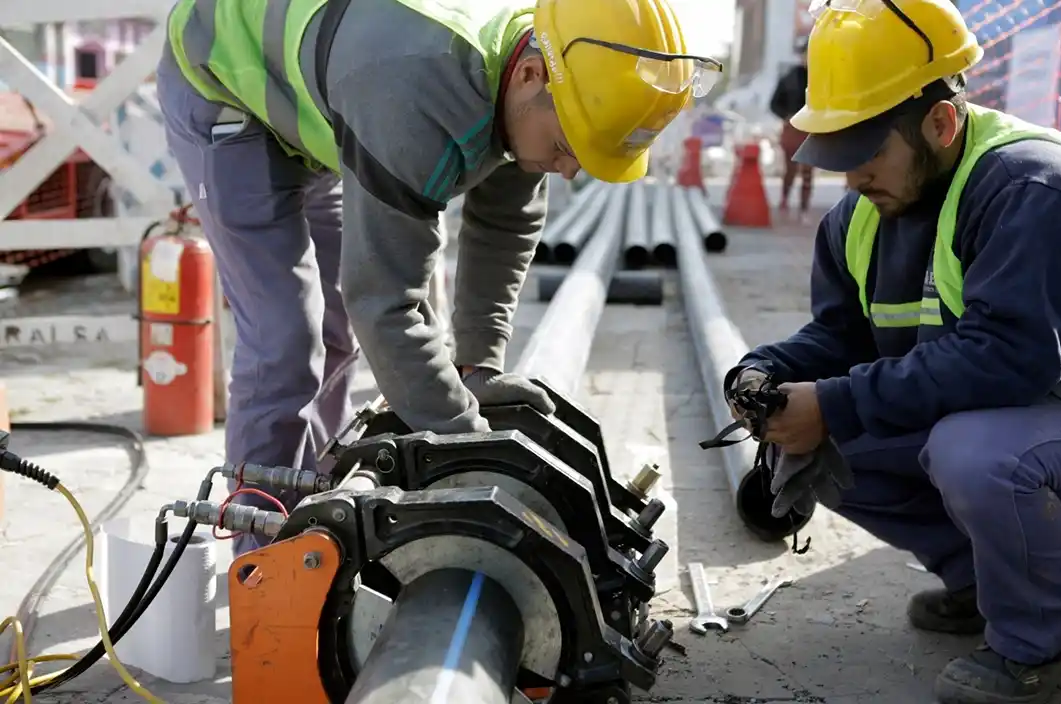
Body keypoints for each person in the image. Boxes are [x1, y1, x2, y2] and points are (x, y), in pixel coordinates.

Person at [722, 1, 1061, 703]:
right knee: (826, 448)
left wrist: (835, 402)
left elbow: (1013, 359)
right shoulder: (860, 217)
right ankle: (983, 583)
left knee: (972, 451)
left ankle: (1042, 636)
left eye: (866, 152)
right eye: (840, 156)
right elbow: (841, 337)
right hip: (1023, 415)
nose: (852, 179)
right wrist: (769, 372)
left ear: (940, 122)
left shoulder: (1029, 184)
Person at [157, 0, 719, 556]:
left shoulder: (538, 72)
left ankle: (315, 507)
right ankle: (262, 559)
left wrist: (476, 367)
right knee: (285, 337)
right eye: (567, 147)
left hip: (330, 89)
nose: (570, 169)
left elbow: (504, 222)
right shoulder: (412, 93)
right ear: (530, 75)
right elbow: (384, 302)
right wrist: (467, 448)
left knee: (337, 331)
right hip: (225, 83)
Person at [767, 36, 814, 224]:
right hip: (792, 128)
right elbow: (774, 104)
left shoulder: (820, 77)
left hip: (812, 129)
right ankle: (785, 199)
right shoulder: (789, 78)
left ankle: (804, 209)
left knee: (808, 172)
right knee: (790, 170)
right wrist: (786, 116)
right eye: (805, 54)